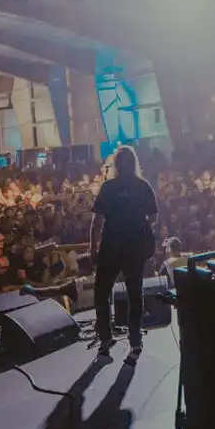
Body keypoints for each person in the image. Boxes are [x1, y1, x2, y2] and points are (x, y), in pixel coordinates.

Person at [89, 145, 159, 356]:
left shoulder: (108, 187)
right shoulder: (143, 186)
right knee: (135, 294)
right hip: (134, 247)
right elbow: (154, 218)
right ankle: (135, 340)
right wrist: (138, 227)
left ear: (116, 165)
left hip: (111, 246)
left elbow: (97, 222)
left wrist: (93, 248)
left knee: (102, 293)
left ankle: (106, 338)